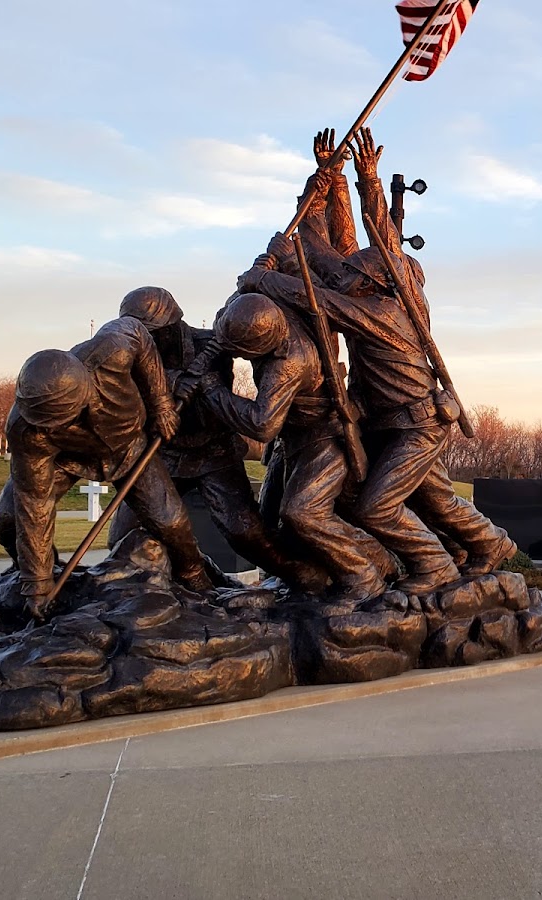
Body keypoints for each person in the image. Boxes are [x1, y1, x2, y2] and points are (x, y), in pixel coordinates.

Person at [236, 129, 515, 594]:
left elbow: (317, 294)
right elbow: (354, 247)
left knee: (377, 507)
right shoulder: (395, 287)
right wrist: (342, 180)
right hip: (392, 421)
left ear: (375, 285)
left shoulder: (381, 312)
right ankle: (488, 544)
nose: (349, 279)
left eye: (358, 279)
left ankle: (436, 567)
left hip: (414, 424)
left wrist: (261, 280)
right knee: (435, 497)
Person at [107, 286, 327, 593]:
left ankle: (306, 577)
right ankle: (194, 578)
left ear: (170, 326)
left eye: (151, 333)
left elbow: (218, 387)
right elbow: (124, 385)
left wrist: (186, 382)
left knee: (245, 534)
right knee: (123, 535)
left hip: (214, 452)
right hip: (165, 455)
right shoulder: (132, 355)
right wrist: (172, 382)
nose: (145, 340)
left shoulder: (209, 344)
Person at [0, 316, 212, 620]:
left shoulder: (112, 350)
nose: (62, 425)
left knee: (170, 522)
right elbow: (34, 503)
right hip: (67, 459)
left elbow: (138, 332)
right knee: (7, 516)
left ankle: (194, 575)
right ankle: (44, 574)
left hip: (129, 447)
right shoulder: (27, 430)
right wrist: (38, 584)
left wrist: (160, 402)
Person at [201, 292, 394, 601]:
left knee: (302, 512)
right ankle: (304, 579)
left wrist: (212, 391)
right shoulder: (266, 312)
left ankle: (366, 575)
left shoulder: (289, 361)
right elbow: (237, 303)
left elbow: (262, 424)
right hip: (292, 438)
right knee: (267, 522)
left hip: (323, 435)